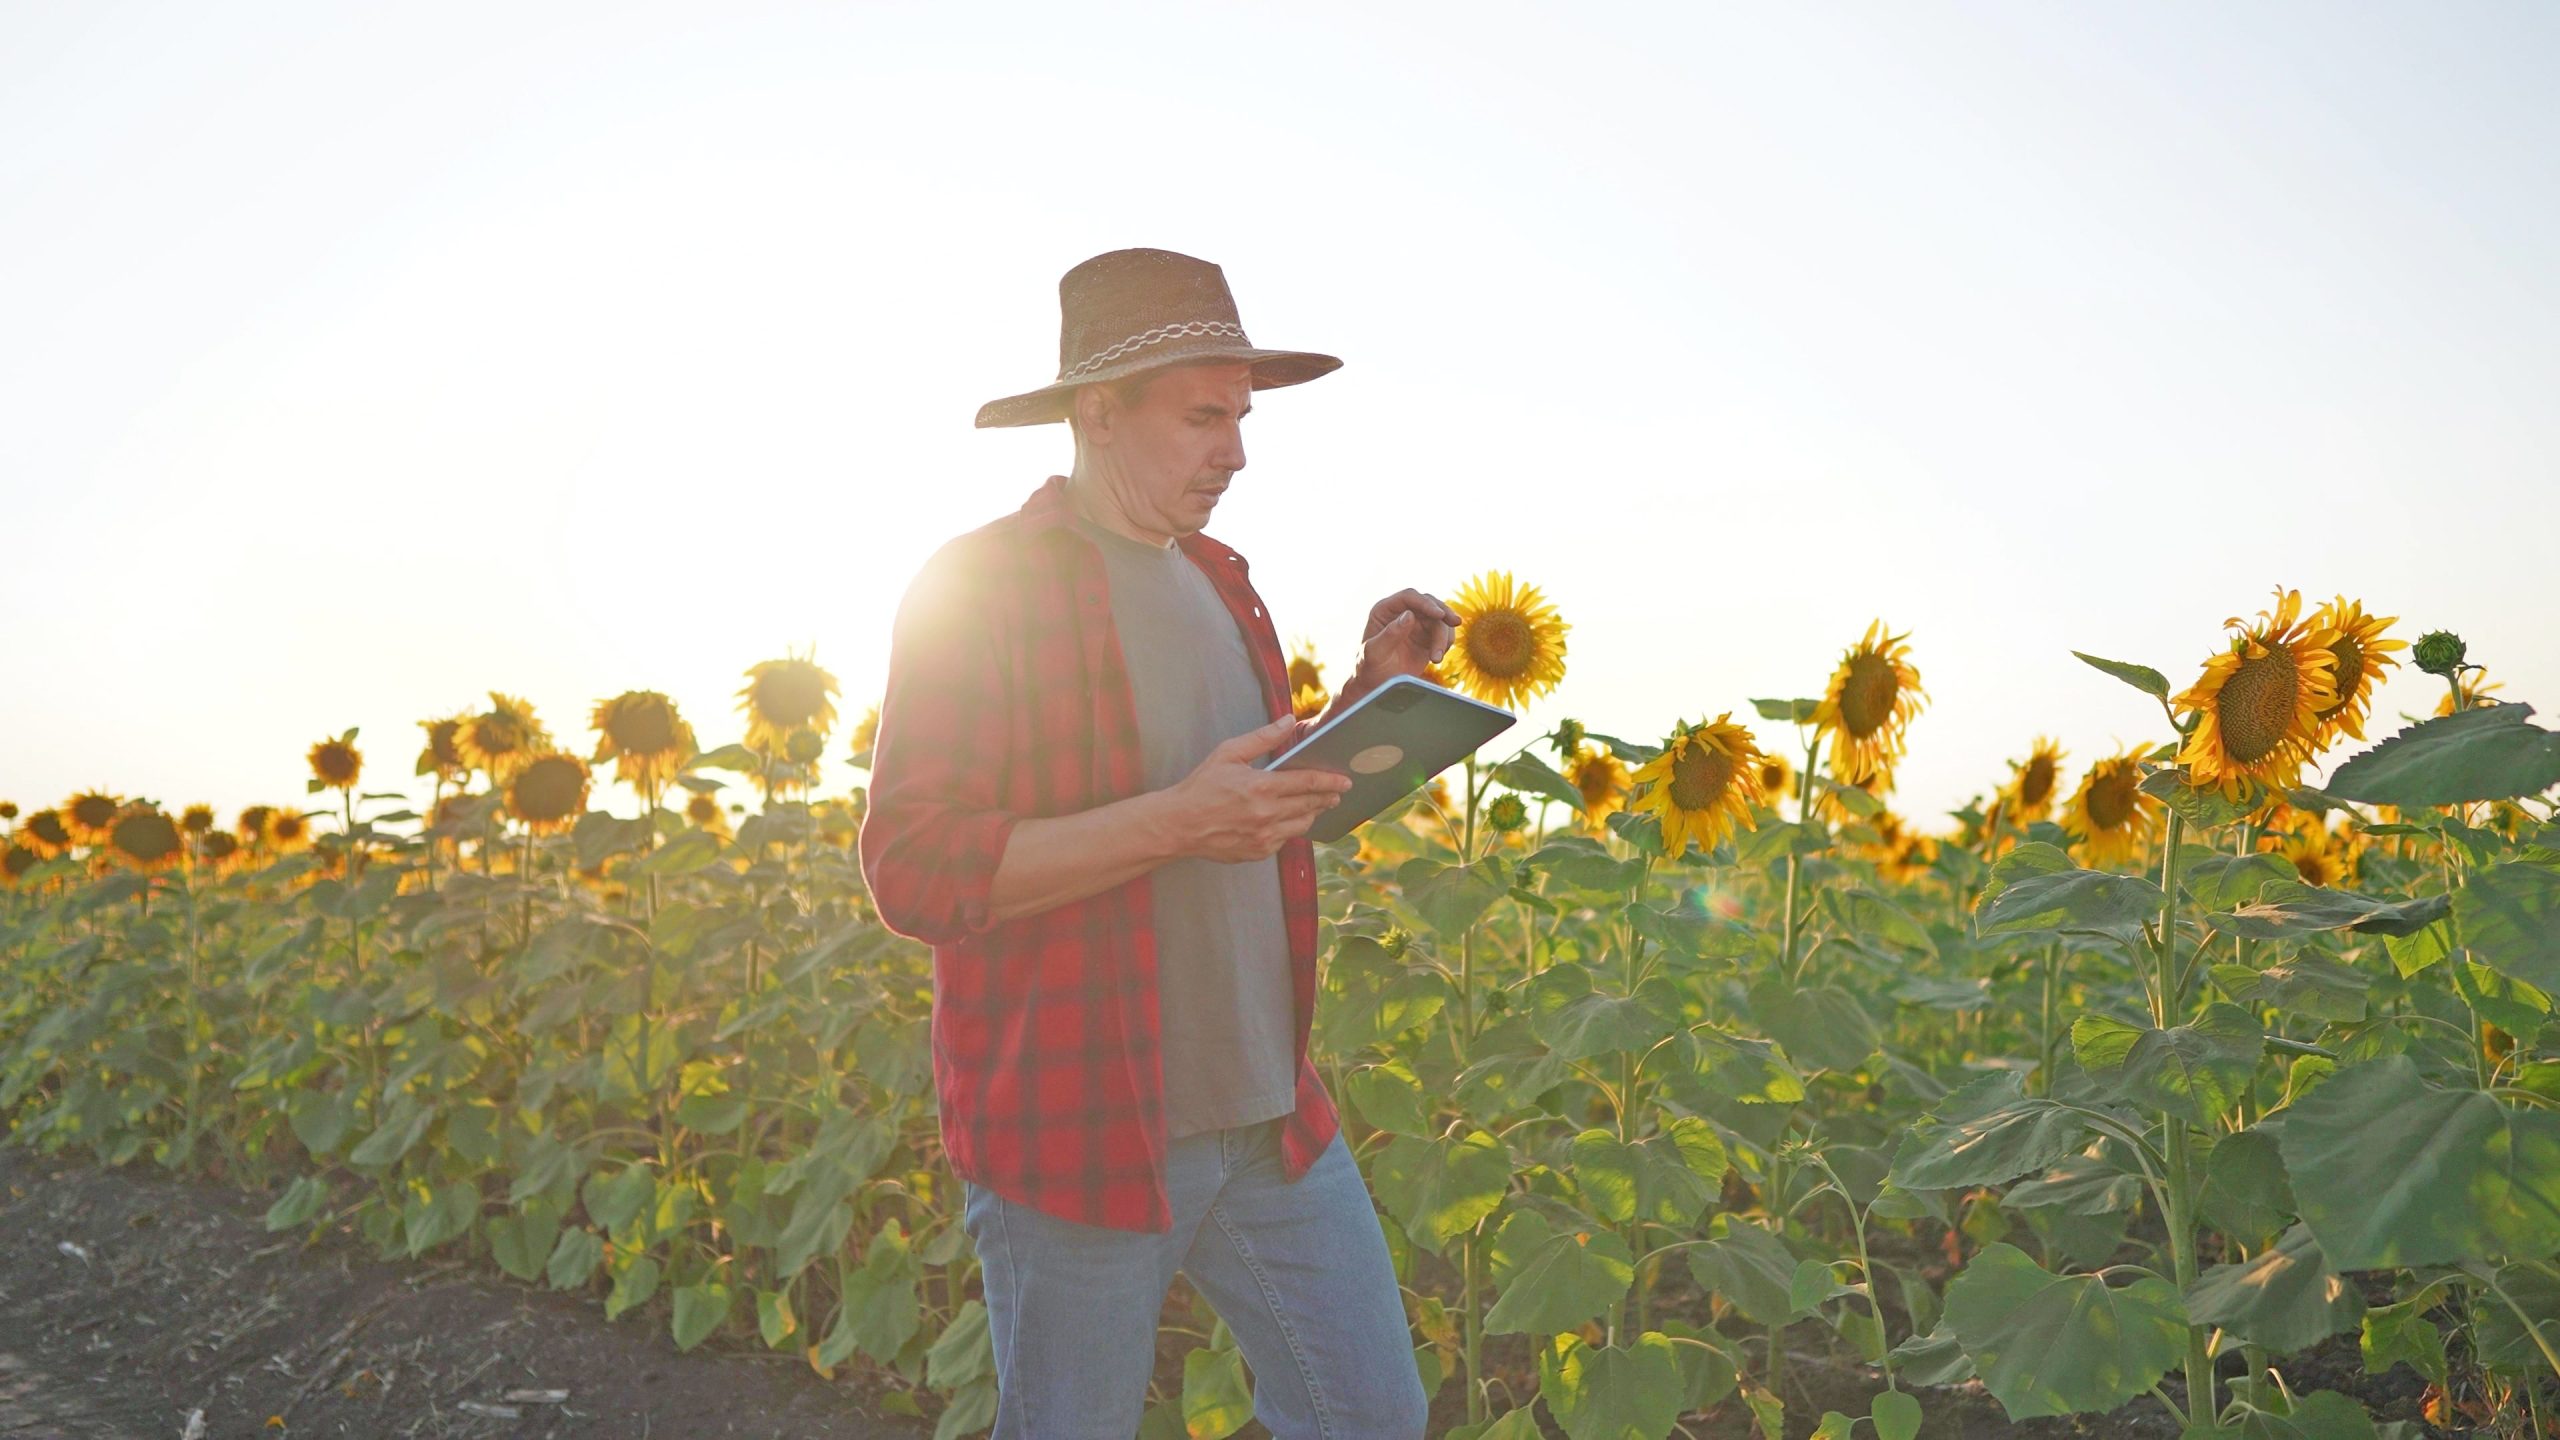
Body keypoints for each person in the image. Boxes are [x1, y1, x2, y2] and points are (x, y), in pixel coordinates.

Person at [858, 247, 1451, 1439]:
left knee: (1372, 1420)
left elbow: (1248, 803)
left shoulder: (1222, 579)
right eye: (1200, 417)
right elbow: (914, 868)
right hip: (1082, 1127)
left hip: (1268, 1118)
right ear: (1098, 414)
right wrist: (1176, 821)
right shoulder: (985, 585)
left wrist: (1365, 702)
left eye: (1239, 416)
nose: (1233, 451)